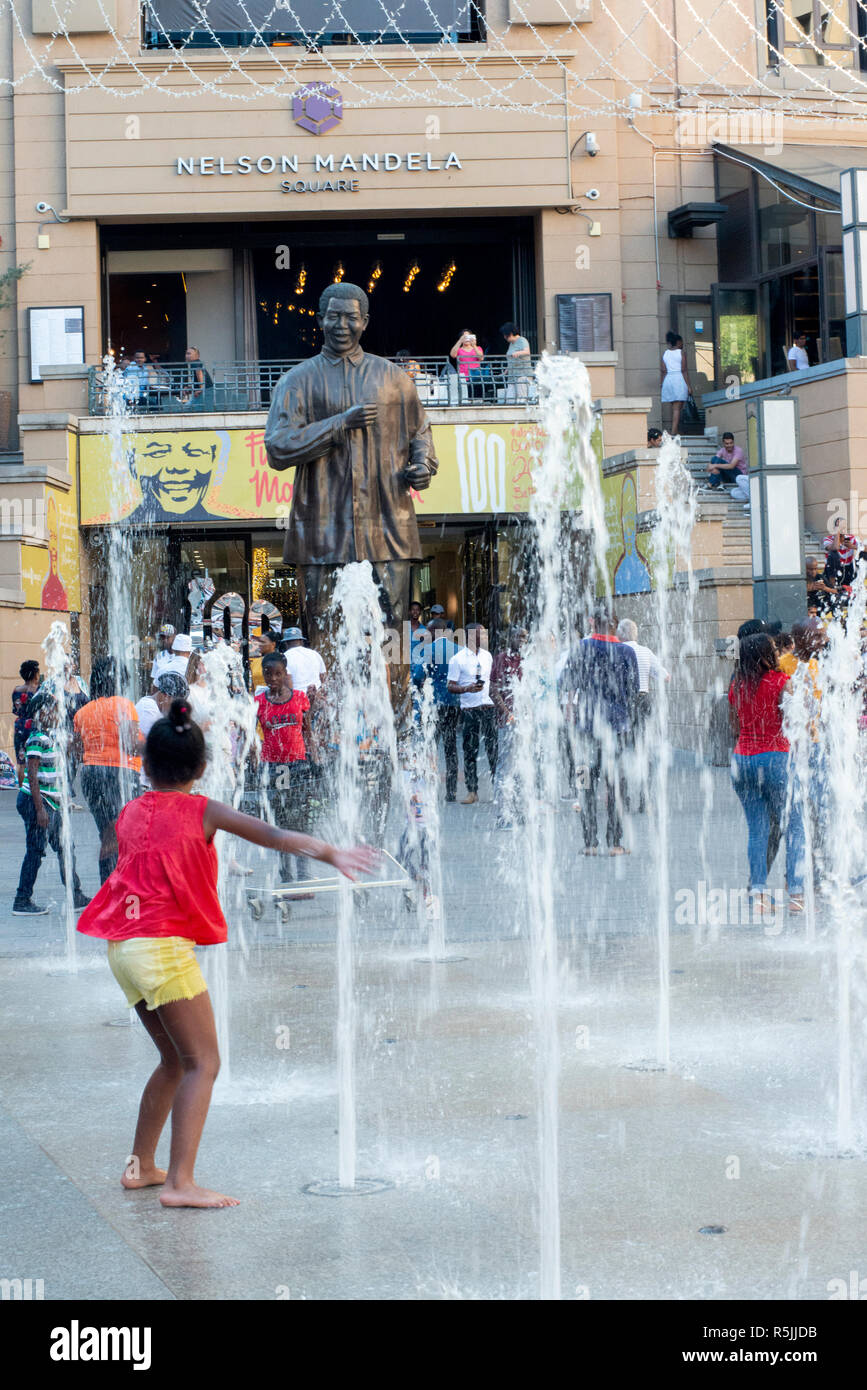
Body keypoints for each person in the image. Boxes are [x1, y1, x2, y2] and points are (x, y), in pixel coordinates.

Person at [77, 697, 375, 1209]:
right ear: (202, 768)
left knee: (173, 1059)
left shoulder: (131, 810)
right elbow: (275, 836)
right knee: (204, 1062)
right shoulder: (203, 810)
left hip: (122, 946)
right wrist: (332, 852)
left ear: (145, 766)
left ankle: (142, 1166)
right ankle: (180, 1183)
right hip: (162, 949)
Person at [264, 281, 437, 657]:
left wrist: (422, 464)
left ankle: (396, 714)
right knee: (324, 635)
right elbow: (277, 448)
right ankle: (328, 714)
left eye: (350, 317)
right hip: (322, 533)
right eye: (334, 316)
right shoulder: (298, 380)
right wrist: (339, 424)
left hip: (387, 526)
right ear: (321, 319)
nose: (342, 325)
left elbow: (420, 432)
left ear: (365, 322)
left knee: (393, 640)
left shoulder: (393, 378)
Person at [729, 633, 805, 913]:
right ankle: (797, 896)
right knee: (795, 828)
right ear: (764, 655)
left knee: (758, 830)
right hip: (775, 758)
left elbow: (735, 723)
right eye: (772, 649)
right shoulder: (782, 682)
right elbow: (795, 722)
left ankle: (759, 895)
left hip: (742, 761)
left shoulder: (737, 685)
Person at [561, 603, 639, 855]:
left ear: (591, 621)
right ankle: (615, 843)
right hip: (617, 728)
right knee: (615, 785)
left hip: (585, 728)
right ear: (614, 623)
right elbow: (634, 691)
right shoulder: (627, 652)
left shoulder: (581, 648)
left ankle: (590, 844)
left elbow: (564, 682)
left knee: (585, 784)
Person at [13, 689, 89, 916]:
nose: (58, 713)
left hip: (50, 803)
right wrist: (40, 810)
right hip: (36, 802)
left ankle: (74, 895)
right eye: (55, 709)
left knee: (66, 846)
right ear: (42, 713)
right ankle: (21, 900)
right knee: (35, 851)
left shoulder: (51, 735)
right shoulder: (38, 738)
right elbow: (32, 775)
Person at [73, 657, 141, 885]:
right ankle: (115, 892)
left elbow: (75, 749)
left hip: (91, 774)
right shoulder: (124, 705)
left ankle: (110, 889)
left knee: (108, 834)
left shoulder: (83, 712)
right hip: (120, 775)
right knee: (121, 836)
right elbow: (130, 745)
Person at [255, 652, 315, 888]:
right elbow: (252, 735)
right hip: (274, 766)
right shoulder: (259, 702)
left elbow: (307, 729)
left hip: (298, 763)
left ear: (285, 673)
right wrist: (251, 756)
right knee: (280, 819)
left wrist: (315, 754)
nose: (273, 679)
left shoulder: (299, 698)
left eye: (278, 674)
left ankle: (304, 871)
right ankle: (285, 873)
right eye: (268, 674)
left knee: (301, 817)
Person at [447, 622, 496, 805]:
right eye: (480, 634)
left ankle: (497, 789)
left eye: (484, 633)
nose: (484, 636)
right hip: (469, 710)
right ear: (470, 637)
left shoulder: (488, 656)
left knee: (493, 751)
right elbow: (450, 686)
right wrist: (467, 688)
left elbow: (491, 683)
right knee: (470, 751)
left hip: (488, 708)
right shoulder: (457, 659)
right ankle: (472, 791)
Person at [490, 626, 526, 829]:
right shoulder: (501, 658)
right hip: (508, 722)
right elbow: (493, 690)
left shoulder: (526, 660)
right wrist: (508, 714)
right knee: (505, 769)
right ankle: (503, 815)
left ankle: (519, 812)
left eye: (524, 637)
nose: (521, 640)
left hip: (525, 723)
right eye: (518, 636)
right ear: (510, 637)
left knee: (521, 768)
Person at [425, 614, 461, 802]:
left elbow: (418, 676)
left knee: (431, 746)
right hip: (454, 702)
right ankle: (451, 791)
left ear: (434, 631)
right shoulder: (459, 650)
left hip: (435, 704)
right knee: (451, 746)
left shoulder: (428, 650)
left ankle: (429, 790)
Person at [13, 659, 41, 787]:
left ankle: (22, 790)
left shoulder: (16, 690)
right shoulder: (38, 690)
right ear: (35, 674)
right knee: (35, 761)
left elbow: (16, 709)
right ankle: (35, 789)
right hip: (33, 727)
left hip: (19, 727)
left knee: (21, 762)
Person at [281, 627, 326, 703]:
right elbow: (323, 677)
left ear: (286, 643)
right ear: (301, 641)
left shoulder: (284, 657)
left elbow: (288, 682)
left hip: (299, 701)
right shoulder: (315, 654)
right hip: (317, 698)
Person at [660, 331, 690, 437]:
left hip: (668, 379)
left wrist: (662, 384)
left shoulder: (666, 353)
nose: (682, 344)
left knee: (676, 407)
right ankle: (673, 432)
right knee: (677, 408)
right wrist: (689, 386)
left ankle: (675, 429)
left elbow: (663, 370)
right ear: (678, 342)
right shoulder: (681, 353)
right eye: (681, 342)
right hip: (679, 379)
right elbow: (684, 370)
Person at [500, 321, 533, 401]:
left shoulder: (522, 340)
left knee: (521, 398)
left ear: (510, 333)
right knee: (510, 399)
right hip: (512, 376)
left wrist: (518, 353)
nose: (504, 337)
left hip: (522, 374)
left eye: (505, 335)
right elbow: (511, 360)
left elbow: (527, 352)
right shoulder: (511, 344)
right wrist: (505, 371)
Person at [450, 330, 484, 401]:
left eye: (468, 337)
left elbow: (481, 358)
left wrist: (474, 345)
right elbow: (453, 355)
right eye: (465, 337)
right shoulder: (459, 350)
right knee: (465, 400)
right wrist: (460, 341)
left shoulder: (478, 348)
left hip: (476, 378)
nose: (467, 339)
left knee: (478, 399)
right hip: (464, 378)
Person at [178, 346, 213, 410]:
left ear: (197, 356)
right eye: (186, 354)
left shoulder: (195, 363)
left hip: (206, 393)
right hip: (205, 392)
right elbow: (197, 380)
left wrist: (201, 389)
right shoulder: (195, 363)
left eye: (189, 354)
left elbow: (199, 373)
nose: (187, 356)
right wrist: (189, 387)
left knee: (184, 409)